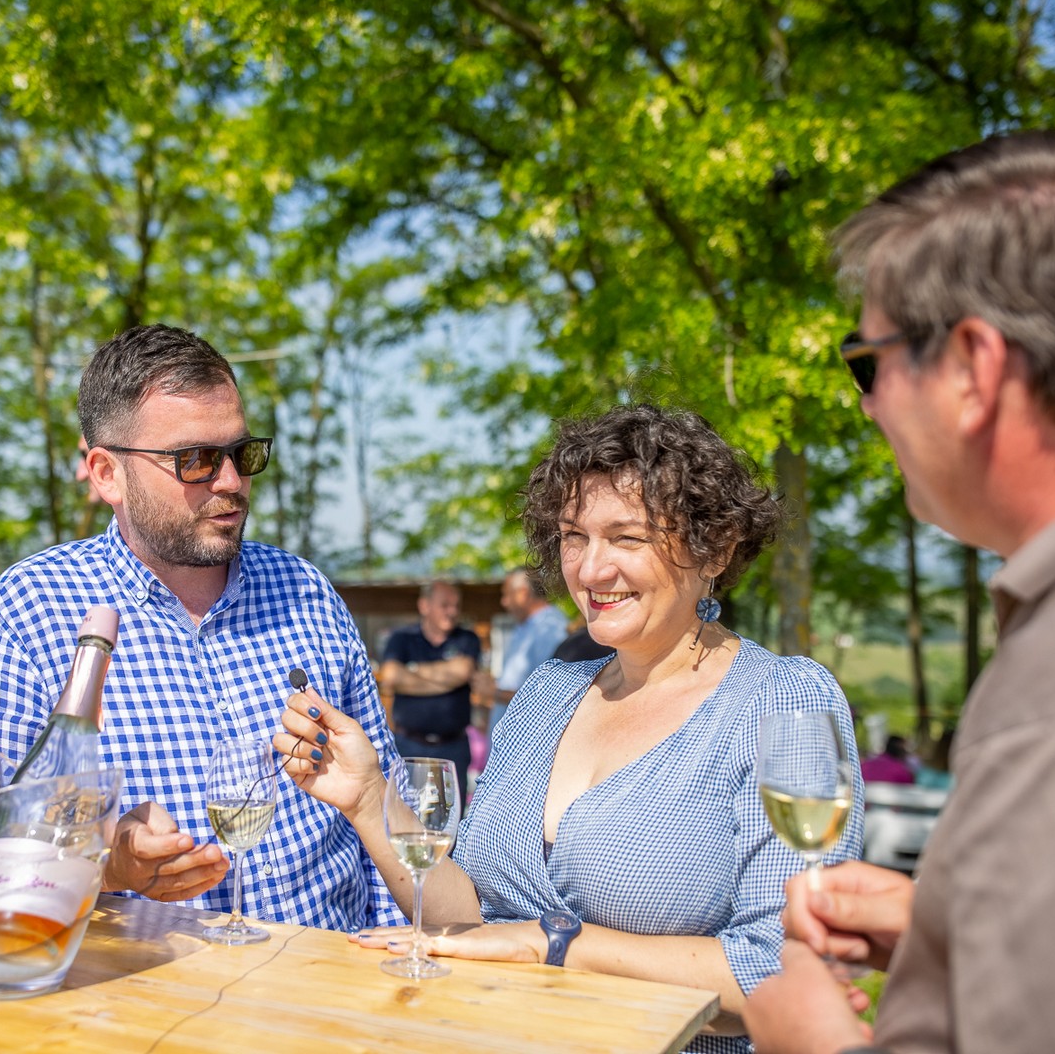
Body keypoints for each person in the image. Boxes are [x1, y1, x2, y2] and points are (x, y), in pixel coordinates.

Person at [742, 132, 1055, 1054]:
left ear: (973, 368)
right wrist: (950, 930)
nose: (864, 405)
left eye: (868, 363)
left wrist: (813, 1044)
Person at [276, 403, 863, 1053]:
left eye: (627, 538)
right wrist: (367, 799)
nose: (588, 570)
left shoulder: (781, 701)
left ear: (715, 548)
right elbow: (469, 917)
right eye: (573, 536)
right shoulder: (547, 693)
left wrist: (554, 944)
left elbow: (782, 973)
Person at [0, 323, 405, 930]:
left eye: (242, 453)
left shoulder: (305, 591)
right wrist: (106, 865)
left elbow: (382, 807)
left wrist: (396, 982)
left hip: (335, 988)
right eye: (196, 460)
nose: (231, 481)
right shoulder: (37, 608)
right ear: (107, 474)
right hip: (147, 998)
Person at [377, 580, 481, 795]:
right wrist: (446, 680)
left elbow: (462, 672)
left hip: (453, 747)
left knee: (451, 818)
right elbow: (390, 676)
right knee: (407, 812)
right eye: (445, 605)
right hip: (409, 745)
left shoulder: (467, 638)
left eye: (456, 605)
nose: (452, 611)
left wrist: (411, 672)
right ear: (424, 606)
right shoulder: (402, 638)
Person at [478, 567, 569, 733]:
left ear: (523, 593)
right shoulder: (528, 626)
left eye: (506, 594)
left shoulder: (549, 628)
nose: (503, 602)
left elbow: (549, 696)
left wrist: (494, 693)